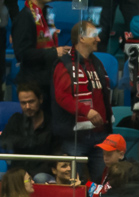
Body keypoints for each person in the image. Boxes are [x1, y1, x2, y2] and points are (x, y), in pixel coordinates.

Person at [51, 20, 113, 183]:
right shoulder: (65, 64)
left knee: (102, 183)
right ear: (82, 38)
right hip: (75, 137)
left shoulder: (96, 63)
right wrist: (87, 111)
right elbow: (62, 97)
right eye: (94, 35)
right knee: (74, 184)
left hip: (100, 134)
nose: (98, 39)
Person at [11, 0, 70, 102]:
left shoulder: (45, 14)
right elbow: (23, 54)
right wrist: (54, 52)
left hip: (48, 79)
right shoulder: (25, 17)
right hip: (34, 84)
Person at [0, 83, 57, 182]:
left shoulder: (51, 123)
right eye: (23, 103)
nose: (27, 107)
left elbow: (55, 155)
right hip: (18, 173)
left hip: (43, 172)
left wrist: (31, 176)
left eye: (31, 102)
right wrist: (31, 141)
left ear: (40, 99)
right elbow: (4, 142)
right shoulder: (16, 120)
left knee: (40, 178)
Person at [86, 133, 127, 197]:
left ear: (121, 154)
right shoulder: (108, 168)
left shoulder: (123, 173)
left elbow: (104, 194)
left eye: (109, 155)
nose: (105, 158)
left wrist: (85, 185)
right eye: (103, 154)